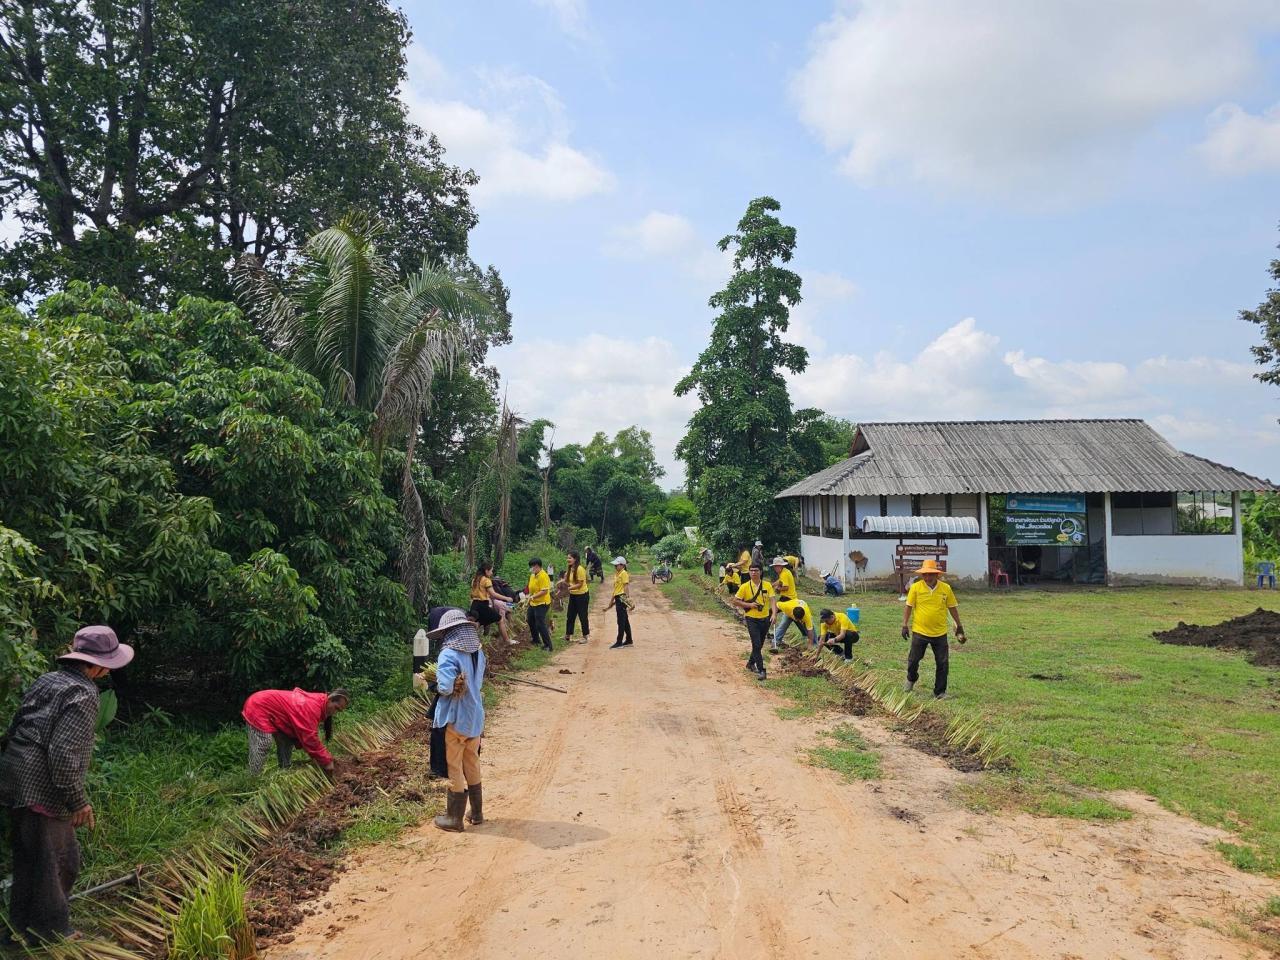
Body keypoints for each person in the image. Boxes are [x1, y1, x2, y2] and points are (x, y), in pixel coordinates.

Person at [0, 626, 134, 946]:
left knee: (30, 859)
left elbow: (17, 726)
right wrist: (77, 801)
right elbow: (63, 753)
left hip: (13, 778)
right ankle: (51, 932)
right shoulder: (84, 693)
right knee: (59, 861)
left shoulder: (48, 680)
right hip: (41, 786)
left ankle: (18, 931)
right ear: (98, 665)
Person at [430, 609, 487, 831]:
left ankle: (454, 818)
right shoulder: (478, 653)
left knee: (454, 765)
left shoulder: (448, 655)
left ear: (449, 632)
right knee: (472, 761)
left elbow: (445, 688)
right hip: (474, 717)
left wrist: (432, 685)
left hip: (454, 718)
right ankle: (477, 812)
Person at [243, 687, 351, 782]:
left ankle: (284, 770)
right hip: (258, 706)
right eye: (336, 708)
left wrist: (318, 757)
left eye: (339, 711)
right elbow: (310, 738)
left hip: (271, 710)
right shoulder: (312, 707)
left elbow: (303, 734)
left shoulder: (319, 703)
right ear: (330, 699)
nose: (335, 712)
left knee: (286, 739)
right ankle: (254, 779)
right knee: (264, 743)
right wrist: (326, 761)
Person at [901, 559, 967, 699]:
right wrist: (904, 625)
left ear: (937, 575)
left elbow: (952, 607)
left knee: (942, 663)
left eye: (930, 574)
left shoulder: (946, 589)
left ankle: (940, 692)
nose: (927, 577)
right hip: (920, 631)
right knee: (913, 660)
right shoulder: (916, 588)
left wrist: (959, 626)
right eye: (925, 574)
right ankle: (911, 679)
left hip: (940, 633)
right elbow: (908, 606)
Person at [730, 563, 773, 680]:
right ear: (749, 572)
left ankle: (750, 663)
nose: (753, 573)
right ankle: (761, 670)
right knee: (757, 644)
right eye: (751, 571)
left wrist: (774, 614)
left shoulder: (767, 585)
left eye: (756, 570)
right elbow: (735, 601)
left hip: (765, 619)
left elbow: (772, 599)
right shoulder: (744, 586)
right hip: (751, 619)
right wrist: (749, 605)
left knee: (759, 644)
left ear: (760, 572)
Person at [470, 562, 515, 645]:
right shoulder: (486, 580)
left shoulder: (475, 579)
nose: (492, 573)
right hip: (482, 605)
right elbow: (493, 594)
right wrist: (507, 598)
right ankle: (507, 640)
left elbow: (472, 594)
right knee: (500, 619)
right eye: (491, 571)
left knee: (480, 622)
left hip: (474, 605)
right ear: (486, 571)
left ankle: (472, 641)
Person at [559, 551, 591, 645]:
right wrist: (560, 587)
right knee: (570, 615)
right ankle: (568, 635)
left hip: (582, 595)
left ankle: (585, 636)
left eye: (570, 558)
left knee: (582, 616)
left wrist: (567, 588)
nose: (568, 560)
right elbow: (566, 581)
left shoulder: (580, 569)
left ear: (575, 559)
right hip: (573, 595)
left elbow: (580, 584)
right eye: (567, 558)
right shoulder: (570, 569)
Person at [769, 556, 799, 651]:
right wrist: (772, 585)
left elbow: (785, 587)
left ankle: (767, 633)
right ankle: (776, 638)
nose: (775, 568)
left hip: (787, 599)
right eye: (774, 567)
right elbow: (780, 581)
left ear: (780, 566)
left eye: (776, 566)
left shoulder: (784, 574)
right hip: (790, 598)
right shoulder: (785, 572)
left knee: (772, 612)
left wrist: (778, 589)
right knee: (789, 619)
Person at [603, 556, 633, 648]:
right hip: (618, 597)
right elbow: (615, 590)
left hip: (622, 598)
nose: (615, 566)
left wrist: (627, 599)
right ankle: (629, 640)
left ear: (622, 565)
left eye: (617, 565)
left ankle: (619, 642)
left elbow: (626, 586)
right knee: (625, 620)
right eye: (615, 565)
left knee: (621, 621)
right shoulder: (617, 574)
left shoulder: (624, 573)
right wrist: (610, 603)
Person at [525, 557, 554, 652]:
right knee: (530, 619)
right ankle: (536, 640)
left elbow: (544, 591)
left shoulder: (543, 576)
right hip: (533, 603)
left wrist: (533, 597)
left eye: (532, 567)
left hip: (542, 603)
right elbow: (531, 588)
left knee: (540, 623)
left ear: (537, 566)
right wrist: (529, 596)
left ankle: (548, 645)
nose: (531, 569)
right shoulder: (533, 575)